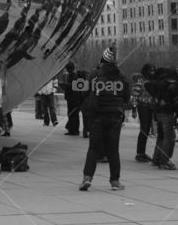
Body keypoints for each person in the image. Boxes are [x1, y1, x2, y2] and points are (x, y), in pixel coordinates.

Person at [79, 47, 130, 191]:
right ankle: (115, 181)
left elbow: (84, 93)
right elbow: (127, 97)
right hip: (115, 117)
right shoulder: (122, 76)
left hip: (97, 116)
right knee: (113, 150)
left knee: (93, 149)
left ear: (102, 60)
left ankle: (87, 178)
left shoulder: (94, 75)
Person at [146, 66, 178, 170]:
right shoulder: (171, 83)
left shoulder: (157, 82)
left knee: (161, 136)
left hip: (158, 111)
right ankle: (164, 161)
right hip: (167, 111)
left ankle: (156, 159)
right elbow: (172, 93)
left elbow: (148, 85)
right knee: (169, 137)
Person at [131, 64, 156, 162]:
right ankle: (140, 153)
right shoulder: (140, 82)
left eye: (153, 70)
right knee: (144, 129)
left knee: (147, 130)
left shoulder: (152, 81)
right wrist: (134, 109)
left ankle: (142, 152)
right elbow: (135, 95)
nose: (152, 72)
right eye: (150, 70)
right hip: (143, 106)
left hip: (150, 107)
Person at [62, 63, 82, 136]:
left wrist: (64, 85)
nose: (67, 70)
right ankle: (72, 129)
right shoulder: (72, 75)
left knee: (73, 114)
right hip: (72, 98)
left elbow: (73, 86)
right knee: (72, 114)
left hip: (73, 98)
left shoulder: (74, 76)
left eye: (67, 69)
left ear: (70, 69)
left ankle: (74, 130)